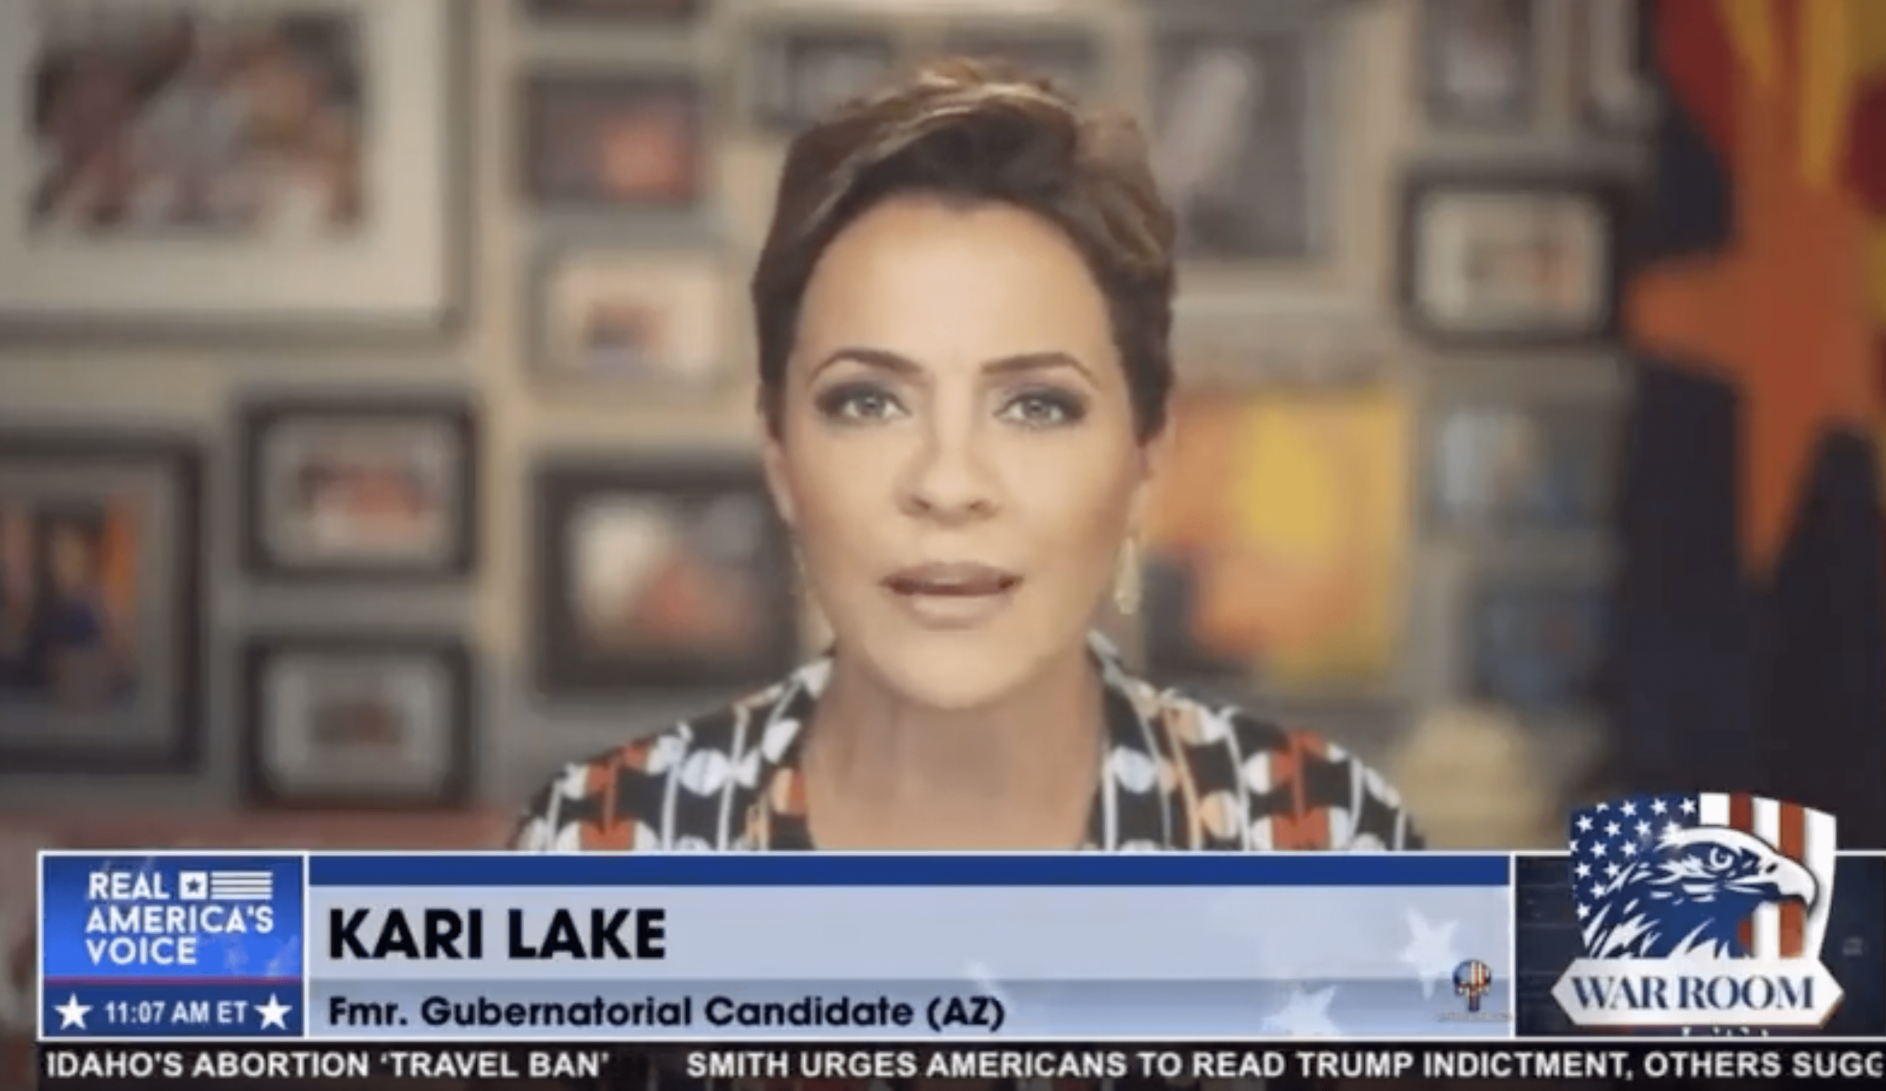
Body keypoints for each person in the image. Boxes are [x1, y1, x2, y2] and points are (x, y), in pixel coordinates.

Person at [509, 58, 1430, 1090]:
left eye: (1036, 405)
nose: (947, 482)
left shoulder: (1318, 842)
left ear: (1144, 459)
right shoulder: (605, 849)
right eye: (867, 401)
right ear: (780, 458)